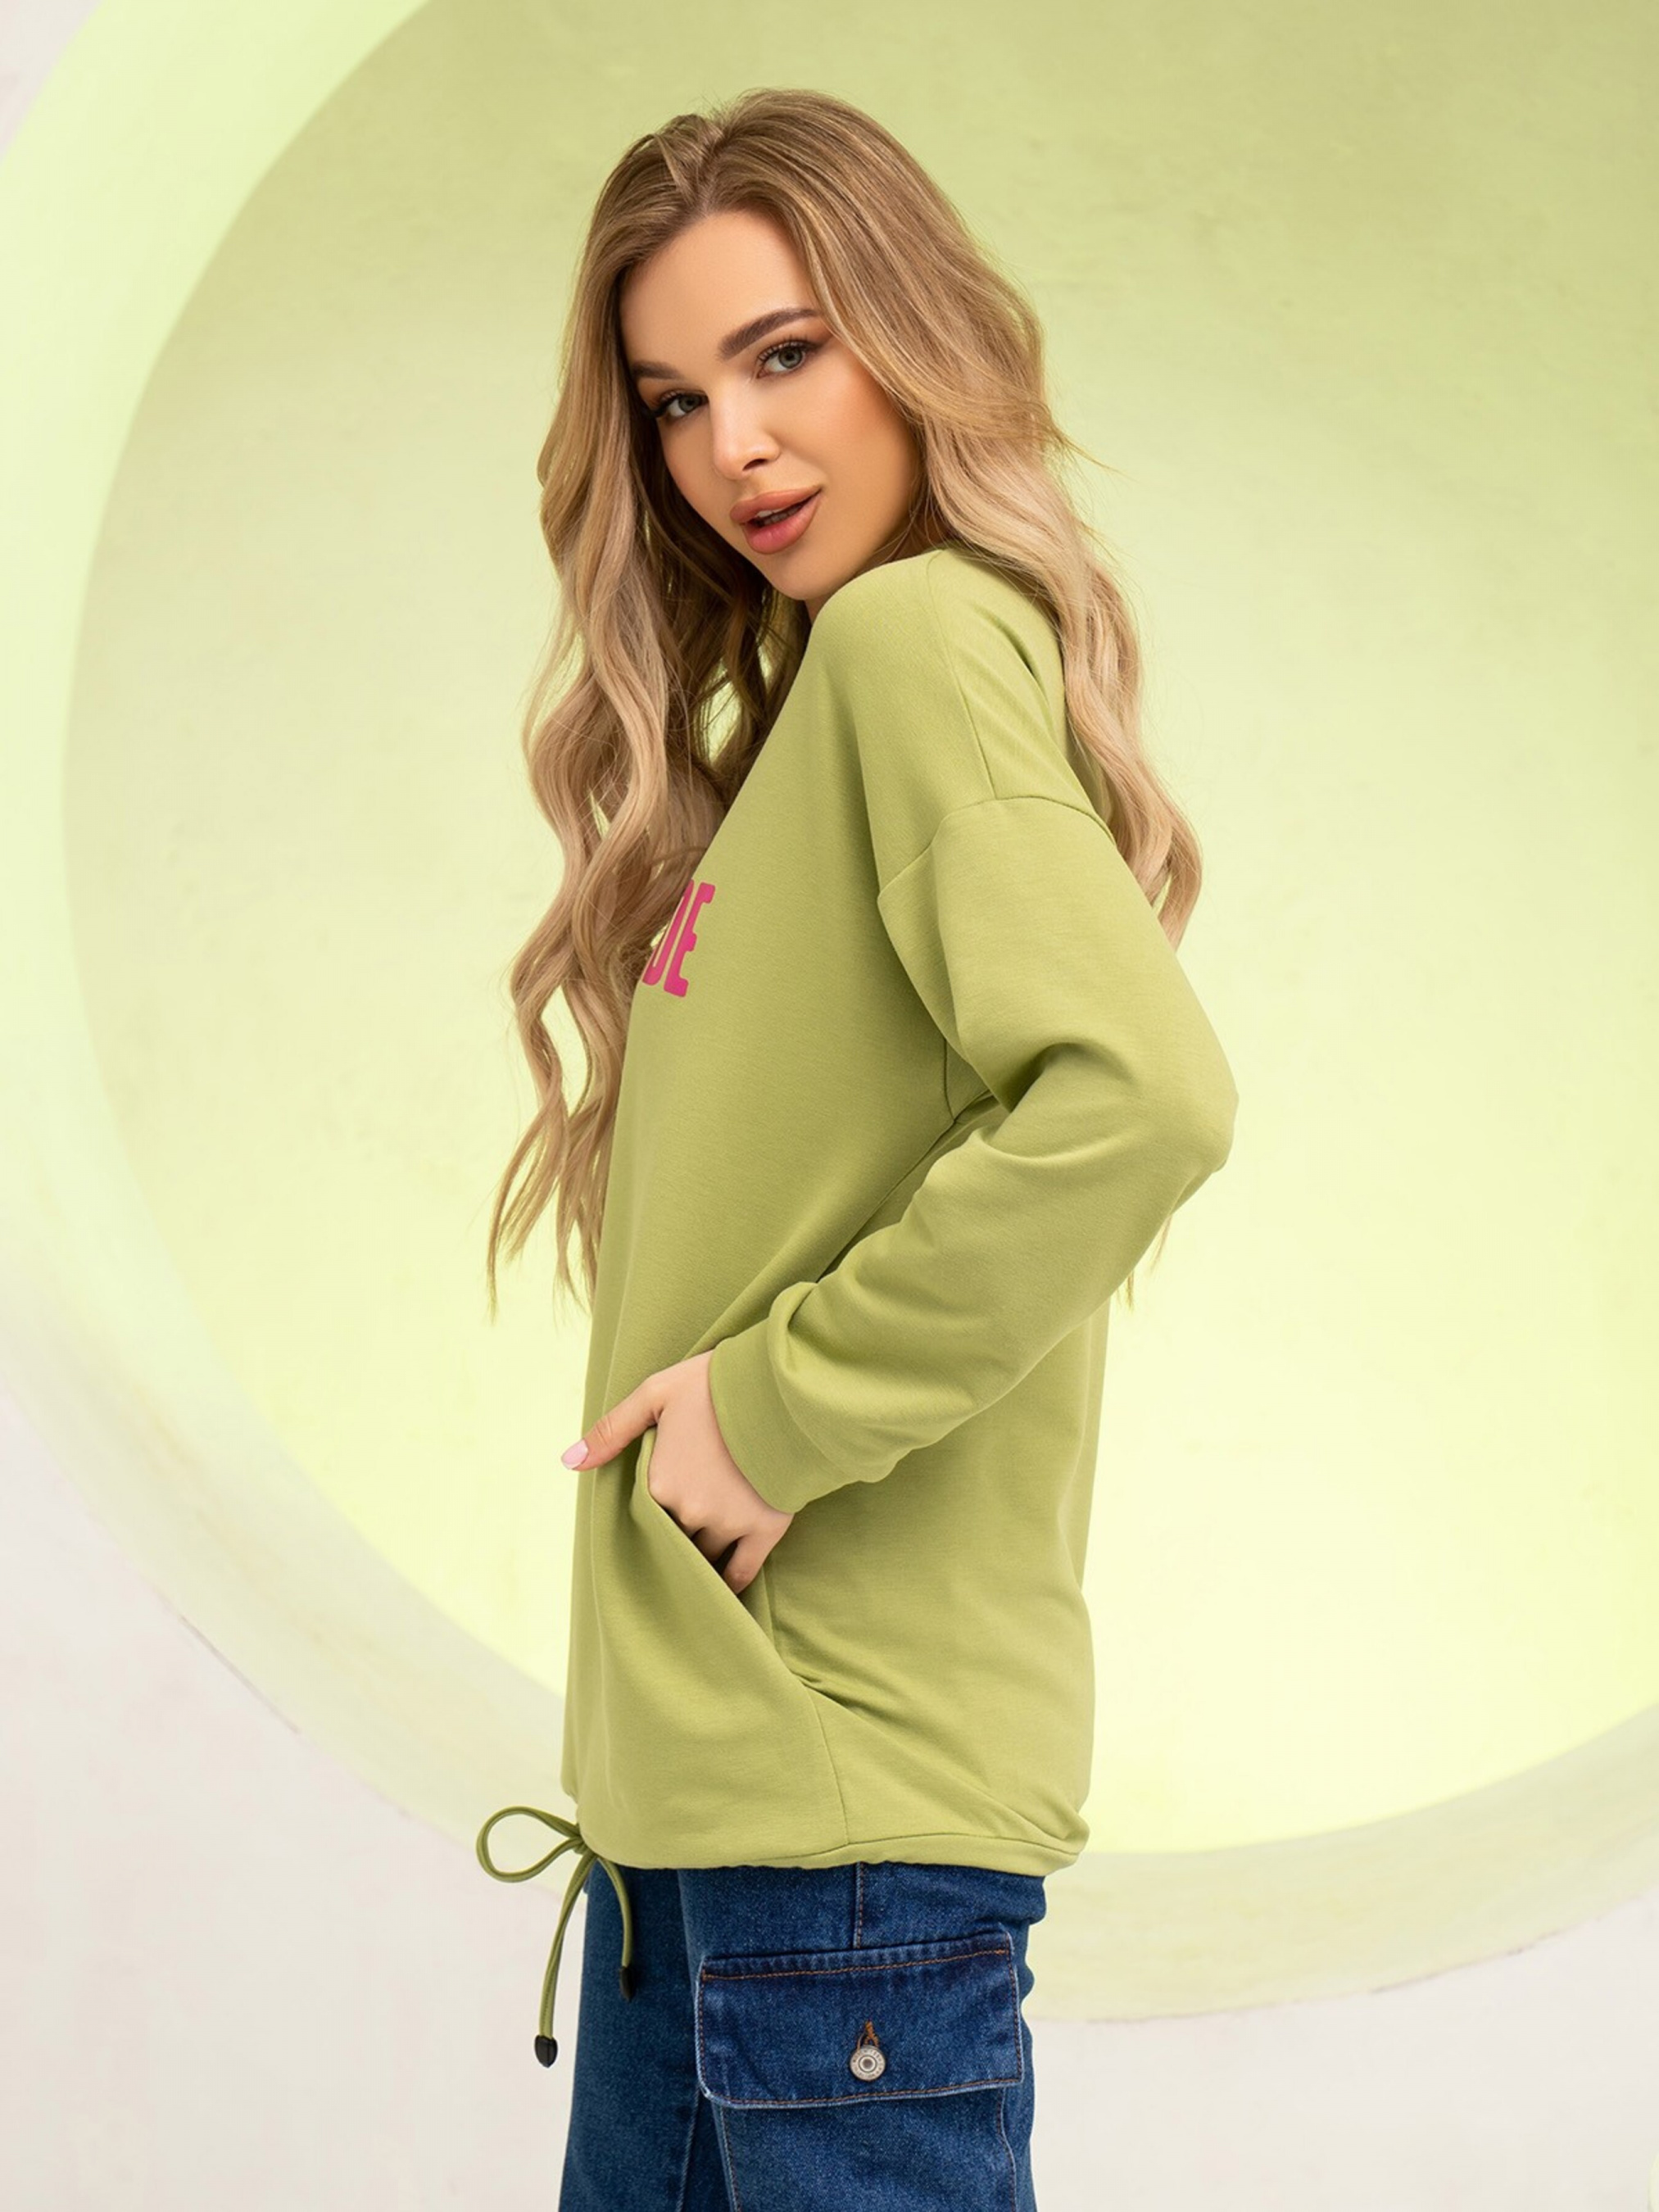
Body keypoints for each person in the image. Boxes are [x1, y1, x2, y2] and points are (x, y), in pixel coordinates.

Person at [471, 86, 1239, 2212]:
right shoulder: (799, 728)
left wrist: (780, 1412)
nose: (734, 445)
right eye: (673, 399)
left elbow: (1141, 1095)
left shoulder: (914, 643)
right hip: (701, 1838)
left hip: (838, 1838)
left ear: (914, 339)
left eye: (785, 353)